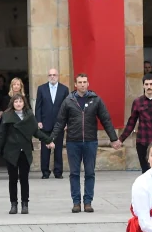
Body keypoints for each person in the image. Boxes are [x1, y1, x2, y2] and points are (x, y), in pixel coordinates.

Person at [50, 73, 120, 213]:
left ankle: (88, 202)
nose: (82, 84)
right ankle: (76, 202)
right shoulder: (68, 101)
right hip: (73, 142)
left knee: (90, 173)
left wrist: (113, 138)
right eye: (80, 82)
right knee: (74, 174)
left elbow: (105, 119)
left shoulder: (96, 100)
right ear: (75, 85)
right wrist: (51, 138)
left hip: (90, 142)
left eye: (85, 82)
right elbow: (60, 122)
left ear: (88, 84)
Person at [0, 94, 53, 215]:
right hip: (11, 151)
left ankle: (25, 204)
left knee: (24, 179)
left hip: (25, 151)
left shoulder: (29, 116)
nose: (18, 104)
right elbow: (1, 135)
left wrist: (48, 140)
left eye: (20, 101)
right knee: (12, 179)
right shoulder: (7, 116)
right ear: (12, 104)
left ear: (24, 103)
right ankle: (13, 204)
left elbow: (36, 132)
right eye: (16, 102)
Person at [34, 68, 68, 179]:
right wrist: (38, 120)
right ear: (47, 76)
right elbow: (38, 106)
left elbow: (67, 108)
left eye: (54, 75)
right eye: (50, 75)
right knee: (45, 149)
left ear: (58, 76)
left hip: (59, 124)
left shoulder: (64, 89)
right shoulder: (41, 89)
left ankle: (58, 172)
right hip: (45, 123)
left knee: (58, 148)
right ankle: (45, 172)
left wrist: (66, 122)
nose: (52, 77)